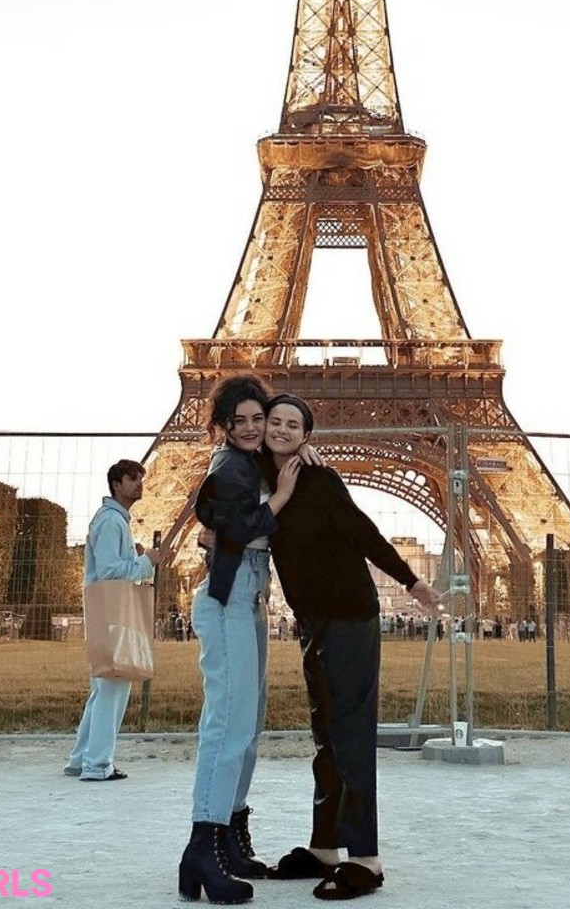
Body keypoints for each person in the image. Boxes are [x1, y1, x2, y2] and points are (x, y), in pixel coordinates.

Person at [261, 393, 440, 901]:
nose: (280, 430)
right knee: (326, 734)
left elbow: (364, 531)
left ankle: (366, 858)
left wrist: (411, 582)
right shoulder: (262, 480)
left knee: (351, 734)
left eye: (293, 424)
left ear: (307, 435)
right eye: (274, 421)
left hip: (348, 615)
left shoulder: (321, 478)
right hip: (312, 619)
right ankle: (325, 847)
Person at [177, 375, 302, 906]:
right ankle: (203, 846)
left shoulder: (251, 463)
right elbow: (231, 527)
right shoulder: (230, 465)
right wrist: (283, 498)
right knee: (228, 725)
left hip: (245, 599)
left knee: (246, 726)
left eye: (259, 419)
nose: (252, 428)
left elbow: (230, 527)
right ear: (223, 426)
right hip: (227, 600)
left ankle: (226, 835)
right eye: (240, 420)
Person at [65, 459, 161, 782]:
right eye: (132, 478)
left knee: (104, 686)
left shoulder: (113, 520)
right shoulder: (111, 522)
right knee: (114, 686)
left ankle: (81, 759)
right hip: (112, 610)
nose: (139, 483)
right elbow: (109, 572)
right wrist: (146, 562)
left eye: (140, 478)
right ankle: (97, 764)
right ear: (116, 485)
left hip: (105, 610)